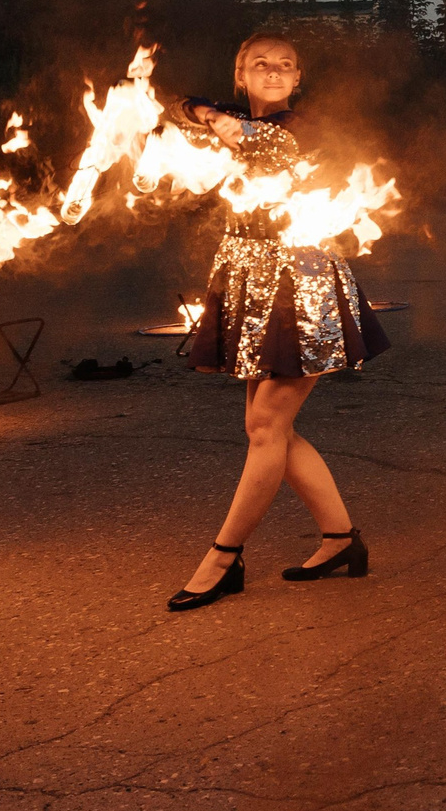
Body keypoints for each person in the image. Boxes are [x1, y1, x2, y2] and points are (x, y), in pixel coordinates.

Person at [165, 33, 391, 611]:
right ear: (240, 75)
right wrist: (205, 112)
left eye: (285, 66)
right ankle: (341, 539)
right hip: (245, 275)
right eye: (259, 64)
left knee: (266, 427)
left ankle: (223, 558)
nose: (273, 71)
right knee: (272, 430)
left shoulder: (302, 126)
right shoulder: (229, 117)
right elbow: (177, 105)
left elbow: (261, 143)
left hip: (302, 279)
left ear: (298, 80)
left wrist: (217, 121)